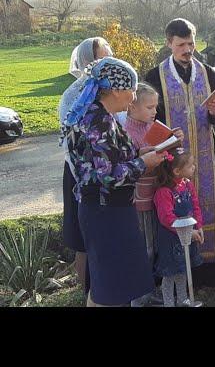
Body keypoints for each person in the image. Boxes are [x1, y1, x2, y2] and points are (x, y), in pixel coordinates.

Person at [63, 57, 165, 306]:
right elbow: (107, 176)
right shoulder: (96, 121)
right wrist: (144, 164)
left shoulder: (103, 115)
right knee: (110, 288)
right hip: (104, 212)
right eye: (131, 89)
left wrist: (141, 153)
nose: (133, 96)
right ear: (116, 90)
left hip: (111, 209)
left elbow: (112, 158)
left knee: (111, 284)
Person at [145, 18, 215, 287]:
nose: (187, 49)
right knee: (174, 209)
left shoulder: (207, 72)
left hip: (206, 156)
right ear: (169, 43)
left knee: (210, 205)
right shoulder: (154, 76)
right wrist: (168, 137)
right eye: (181, 44)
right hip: (172, 160)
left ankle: (210, 270)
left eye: (191, 43)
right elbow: (149, 123)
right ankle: (178, 273)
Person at [58, 37, 113, 295]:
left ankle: (106, 289)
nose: (106, 63)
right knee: (83, 239)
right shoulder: (72, 96)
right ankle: (86, 291)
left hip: (110, 173)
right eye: (100, 59)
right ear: (86, 63)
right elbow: (73, 142)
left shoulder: (112, 89)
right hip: (81, 175)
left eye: (108, 57)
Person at [124, 82, 184, 306]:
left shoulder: (152, 125)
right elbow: (128, 166)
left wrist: (174, 140)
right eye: (149, 107)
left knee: (157, 247)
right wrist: (142, 156)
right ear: (131, 107)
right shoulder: (126, 132)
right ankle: (137, 298)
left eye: (155, 107)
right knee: (145, 248)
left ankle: (148, 290)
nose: (154, 112)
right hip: (141, 199)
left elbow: (168, 151)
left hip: (159, 195)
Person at [153, 148, 204, 307]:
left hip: (187, 236)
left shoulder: (187, 185)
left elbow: (195, 205)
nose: (194, 168)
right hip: (171, 240)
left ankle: (183, 301)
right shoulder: (164, 192)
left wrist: (199, 225)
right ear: (176, 171)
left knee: (183, 270)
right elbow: (166, 218)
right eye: (190, 166)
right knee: (170, 274)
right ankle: (169, 303)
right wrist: (188, 231)